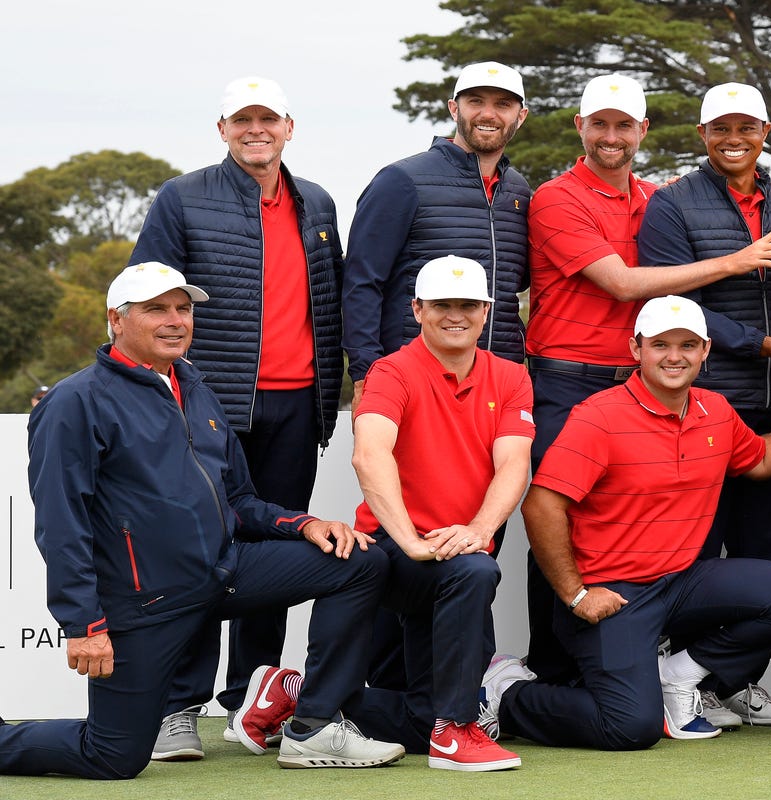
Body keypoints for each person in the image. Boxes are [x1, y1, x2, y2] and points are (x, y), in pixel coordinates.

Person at [0, 263, 402, 779]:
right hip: (149, 602)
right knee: (113, 756)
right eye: (156, 309)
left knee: (358, 561)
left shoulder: (195, 387)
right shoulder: (74, 401)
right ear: (115, 320)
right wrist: (83, 624)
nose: (175, 320)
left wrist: (302, 524)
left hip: (226, 571)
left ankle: (313, 726)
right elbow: (61, 523)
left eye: (183, 308)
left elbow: (238, 498)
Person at [522, 73, 771, 685]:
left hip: (635, 380)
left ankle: (640, 667)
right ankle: (546, 672)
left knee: (629, 532)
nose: (611, 136)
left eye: (625, 125)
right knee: (561, 517)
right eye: (600, 124)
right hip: (568, 378)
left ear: (643, 131)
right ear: (581, 128)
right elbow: (621, 283)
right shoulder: (557, 197)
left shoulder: (652, 198)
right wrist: (739, 260)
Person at [479, 296, 771, 750]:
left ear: (706, 351)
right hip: (613, 591)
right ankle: (506, 692)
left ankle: (678, 675)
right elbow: (541, 505)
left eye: (688, 345)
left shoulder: (715, 410)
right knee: (629, 728)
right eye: (660, 345)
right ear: (636, 349)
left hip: (682, 582)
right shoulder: (600, 416)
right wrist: (575, 594)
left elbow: (761, 460)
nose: (674, 356)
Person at [127, 75, 347, 759]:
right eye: (242, 119)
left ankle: (250, 700)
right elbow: (143, 298)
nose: (257, 130)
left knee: (275, 556)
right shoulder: (182, 197)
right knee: (195, 554)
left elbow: (331, 302)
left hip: (297, 405)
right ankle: (175, 708)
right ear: (222, 129)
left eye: (269, 119)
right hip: (206, 408)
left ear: (289, 127)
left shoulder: (319, 202)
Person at [342, 256, 532, 771]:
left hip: (460, 551)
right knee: (474, 571)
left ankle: (294, 695)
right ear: (418, 309)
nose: (456, 315)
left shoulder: (512, 377)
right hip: (391, 554)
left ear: (487, 311)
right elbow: (369, 453)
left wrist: (479, 529)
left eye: (468, 305)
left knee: (420, 715)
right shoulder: (391, 371)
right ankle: (457, 729)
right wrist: (409, 541)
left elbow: (514, 461)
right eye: (442, 305)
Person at [344, 61, 533, 406]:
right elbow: (361, 282)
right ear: (453, 108)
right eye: (475, 101)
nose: (488, 113)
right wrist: (364, 373)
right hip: (412, 380)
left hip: (497, 382)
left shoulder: (519, 191)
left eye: (503, 104)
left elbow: (516, 283)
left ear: (520, 116)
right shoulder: (401, 181)